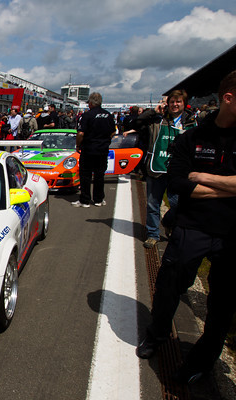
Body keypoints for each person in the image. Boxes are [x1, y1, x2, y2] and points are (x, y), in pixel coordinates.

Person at [136, 70, 236, 384]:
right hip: (192, 226)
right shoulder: (191, 138)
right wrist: (228, 187)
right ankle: (157, 334)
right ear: (228, 98)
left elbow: (191, 182)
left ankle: (201, 362)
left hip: (232, 233)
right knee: (168, 286)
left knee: (223, 303)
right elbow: (178, 183)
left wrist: (203, 177)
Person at [138, 90, 197, 248]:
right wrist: (154, 111)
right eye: (172, 102)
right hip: (156, 169)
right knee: (153, 204)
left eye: (178, 102)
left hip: (179, 171)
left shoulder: (190, 122)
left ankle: (168, 222)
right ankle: (152, 234)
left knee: (178, 203)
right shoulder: (157, 120)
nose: (175, 105)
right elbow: (137, 122)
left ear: (184, 104)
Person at [72, 92, 116, 208]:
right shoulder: (108, 115)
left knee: (85, 175)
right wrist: (105, 140)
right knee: (99, 175)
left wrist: (78, 145)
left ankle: (85, 200)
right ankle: (98, 199)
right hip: (102, 150)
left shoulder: (87, 115)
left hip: (89, 149)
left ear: (90, 103)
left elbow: (80, 133)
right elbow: (113, 131)